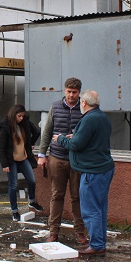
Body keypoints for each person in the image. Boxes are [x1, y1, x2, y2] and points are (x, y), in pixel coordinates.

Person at [53, 90, 114, 256]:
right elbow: (93, 139)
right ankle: (100, 243)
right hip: (104, 168)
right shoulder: (102, 117)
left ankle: (96, 245)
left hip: (92, 172)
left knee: (90, 210)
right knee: (100, 208)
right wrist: (77, 135)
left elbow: (77, 145)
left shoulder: (89, 119)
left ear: (84, 103)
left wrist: (61, 139)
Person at [36, 77, 88, 244]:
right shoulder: (56, 106)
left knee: (77, 196)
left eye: (74, 92)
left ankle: (80, 231)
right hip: (57, 157)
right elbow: (47, 131)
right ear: (64, 90)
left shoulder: (84, 108)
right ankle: (53, 232)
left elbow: (89, 132)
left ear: (79, 93)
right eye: (69, 91)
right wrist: (42, 155)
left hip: (76, 159)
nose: (71, 95)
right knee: (56, 195)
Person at [0, 104, 43, 221]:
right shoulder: (6, 128)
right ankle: (14, 211)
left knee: (31, 180)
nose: (21, 118)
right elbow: (0, 148)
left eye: (23, 116)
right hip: (11, 160)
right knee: (13, 185)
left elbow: (36, 132)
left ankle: (31, 202)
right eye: (19, 116)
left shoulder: (24, 124)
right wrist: (4, 164)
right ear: (14, 115)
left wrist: (30, 143)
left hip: (23, 158)